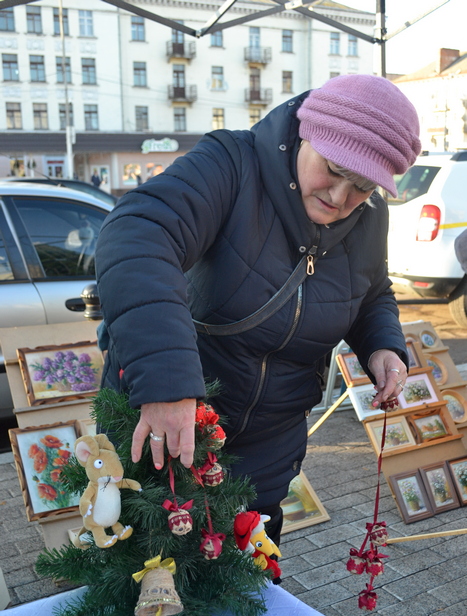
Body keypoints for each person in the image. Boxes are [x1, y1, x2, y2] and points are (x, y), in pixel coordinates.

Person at [95, 74, 421, 544]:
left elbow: (372, 291)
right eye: (332, 169)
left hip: (266, 456)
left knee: (252, 596)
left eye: (362, 187)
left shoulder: (369, 217)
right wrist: (166, 382)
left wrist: (383, 345)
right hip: (169, 435)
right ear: (308, 134)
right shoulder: (231, 163)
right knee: (149, 590)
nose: (340, 198)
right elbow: (138, 233)